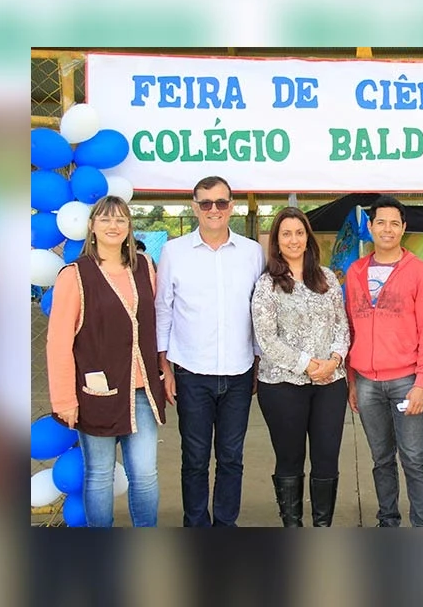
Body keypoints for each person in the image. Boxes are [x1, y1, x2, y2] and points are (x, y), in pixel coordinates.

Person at [47, 195, 167, 527]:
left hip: (142, 391)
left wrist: (164, 371)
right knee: (99, 474)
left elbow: (157, 324)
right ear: (92, 226)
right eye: (105, 219)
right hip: (97, 392)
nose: (113, 225)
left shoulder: (145, 268)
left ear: (129, 226)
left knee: (145, 474)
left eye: (120, 219)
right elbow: (59, 342)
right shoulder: (75, 275)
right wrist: (64, 400)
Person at [156, 176, 264, 527]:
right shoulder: (174, 252)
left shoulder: (251, 252)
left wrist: (258, 362)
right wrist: (165, 366)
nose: (213, 209)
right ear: (194, 207)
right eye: (205, 203)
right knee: (195, 459)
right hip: (191, 373)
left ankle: (225, 526)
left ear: (232, 206)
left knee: (231, 458)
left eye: (221, 202)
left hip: (239, 372)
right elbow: (163, 309)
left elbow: (259, 308)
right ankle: (196, 525)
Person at [345, 195, 423, 527]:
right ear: (370, 227)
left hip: (405, 381)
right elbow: (350, 328)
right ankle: (388, 521)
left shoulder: (420, 273)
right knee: (381, 459)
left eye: (394, 223)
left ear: (403, 228)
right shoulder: (355, 272)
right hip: (366, 383)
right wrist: (352, 380)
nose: (387, 229)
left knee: (414, 458)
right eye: (381, 222)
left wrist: (422, 383)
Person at [251, 207, 350, 527]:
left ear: (308, 238)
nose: (293, 240)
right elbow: (266, 338)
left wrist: (334, 360)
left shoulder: (327, 279)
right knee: (290, 459)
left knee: (326, 459)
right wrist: (307, 365)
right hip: (282, 386)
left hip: (330, 384)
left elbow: (342, 326)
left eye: (299, 232)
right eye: (286, 234)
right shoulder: (267, 285)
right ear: (276, 242)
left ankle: (322, 527)